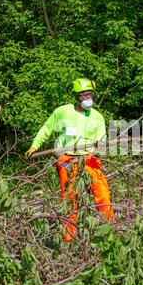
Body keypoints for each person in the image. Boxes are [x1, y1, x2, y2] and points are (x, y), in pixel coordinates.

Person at [25, 78, 115, 242]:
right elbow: (47, 128)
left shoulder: (97, 117)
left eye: (89, 94)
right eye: (83, 95)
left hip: (89, 159)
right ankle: (68, 238)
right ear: (76, 97)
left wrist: (94, 152)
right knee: (68, 199)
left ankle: (108, 232)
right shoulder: (63, 112)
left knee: (102, 194)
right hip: (67, 159)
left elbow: (101, 141)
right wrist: (34, 146)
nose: (88, 97)